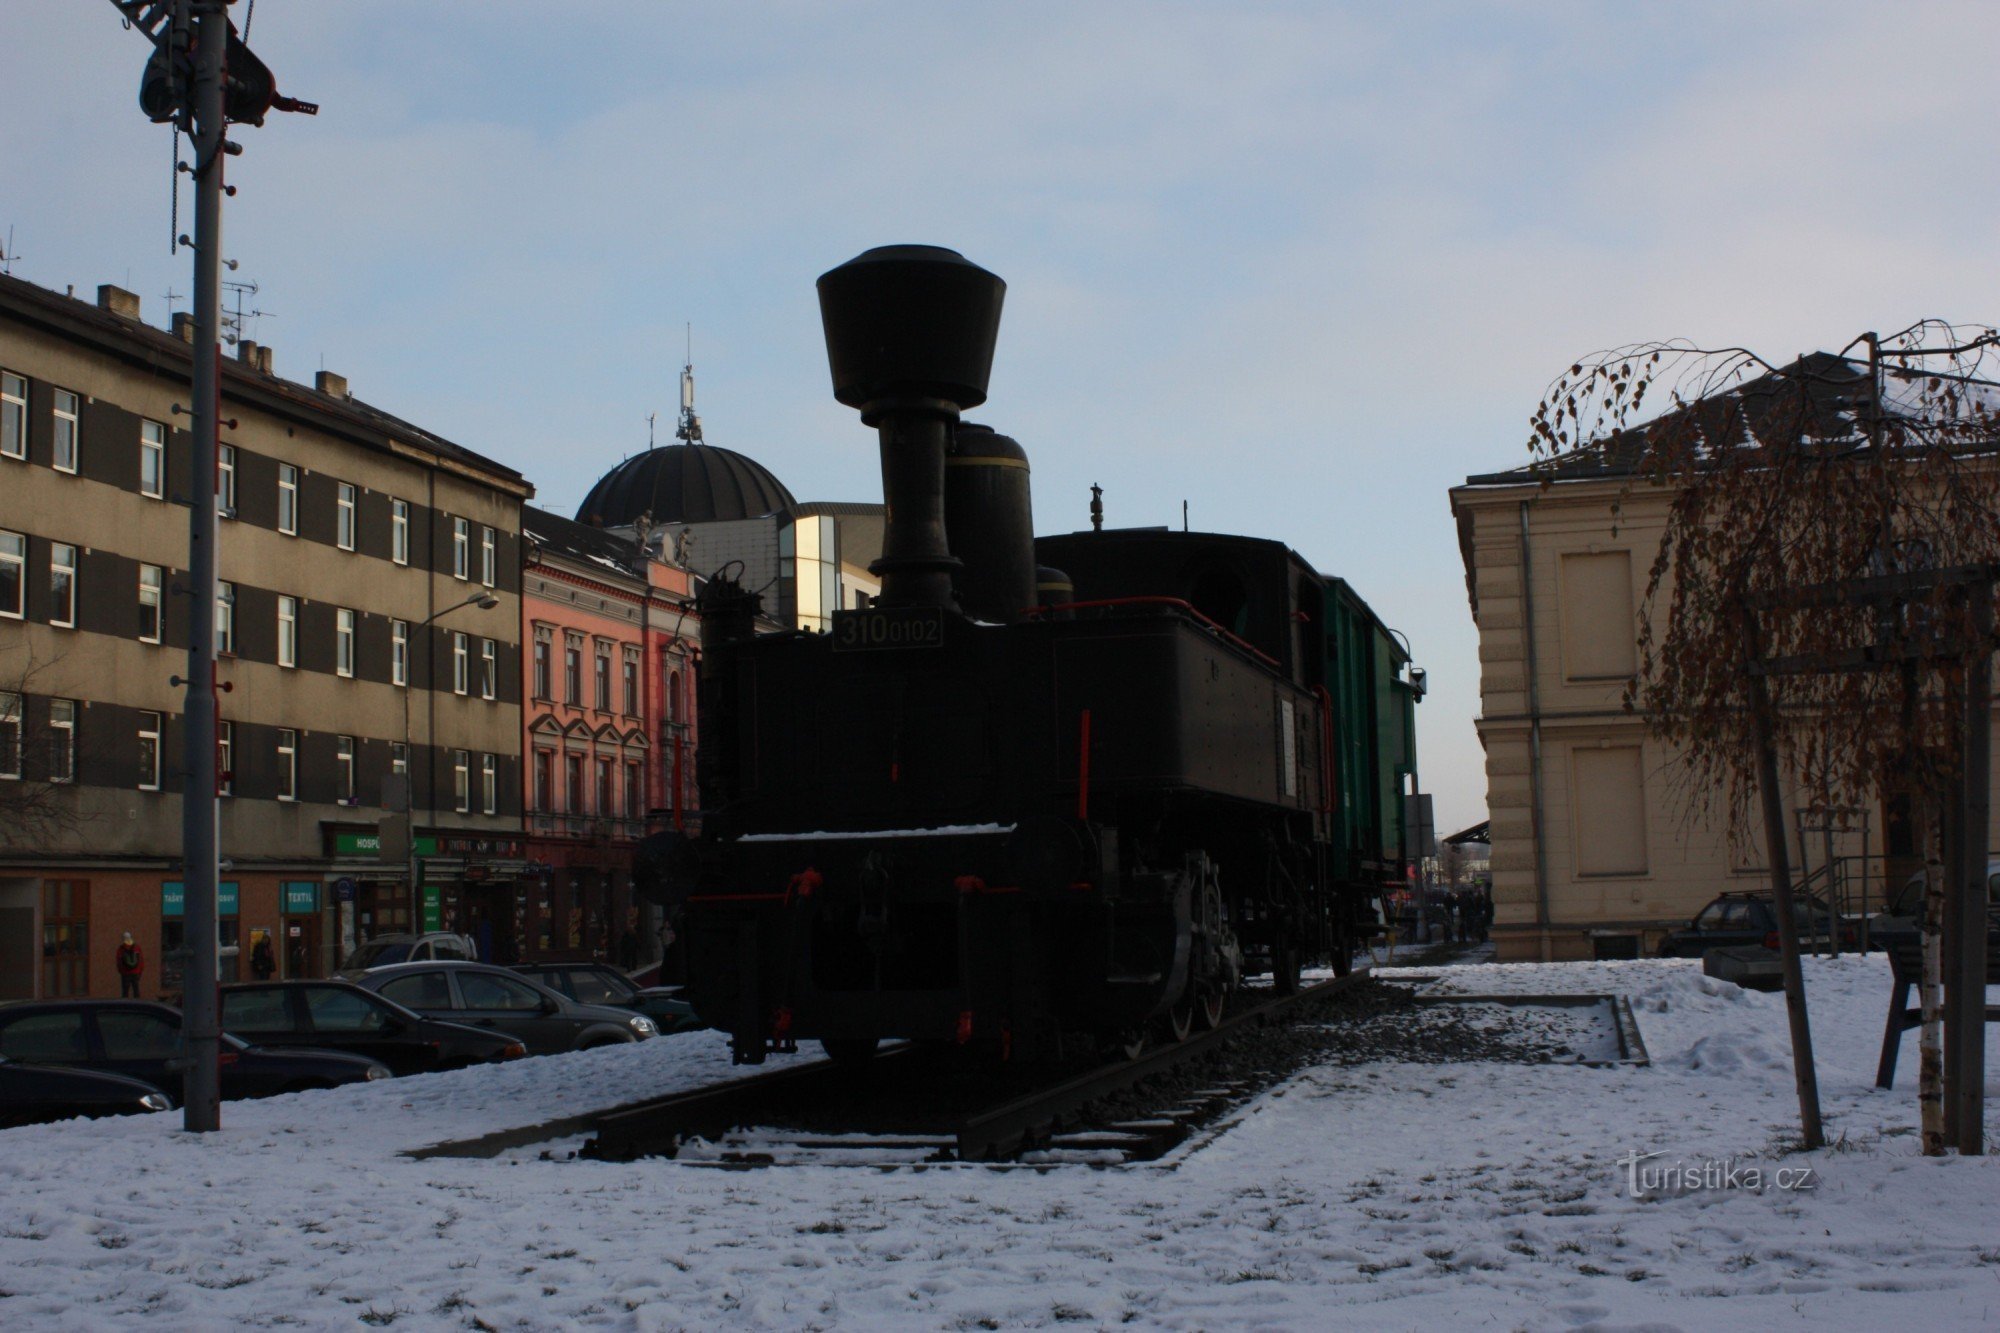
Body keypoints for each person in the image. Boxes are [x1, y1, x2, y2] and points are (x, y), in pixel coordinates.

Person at [115, 932, 144, 998]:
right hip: (136, 973)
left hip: (125, 973)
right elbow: (141, 961)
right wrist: (140, 972)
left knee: (125, 992)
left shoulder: (121, 949)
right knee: (136, 991)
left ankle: (125, 1006)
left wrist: (121, 971)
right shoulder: (137, 947)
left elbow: (119, 962)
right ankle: (137, 1005)